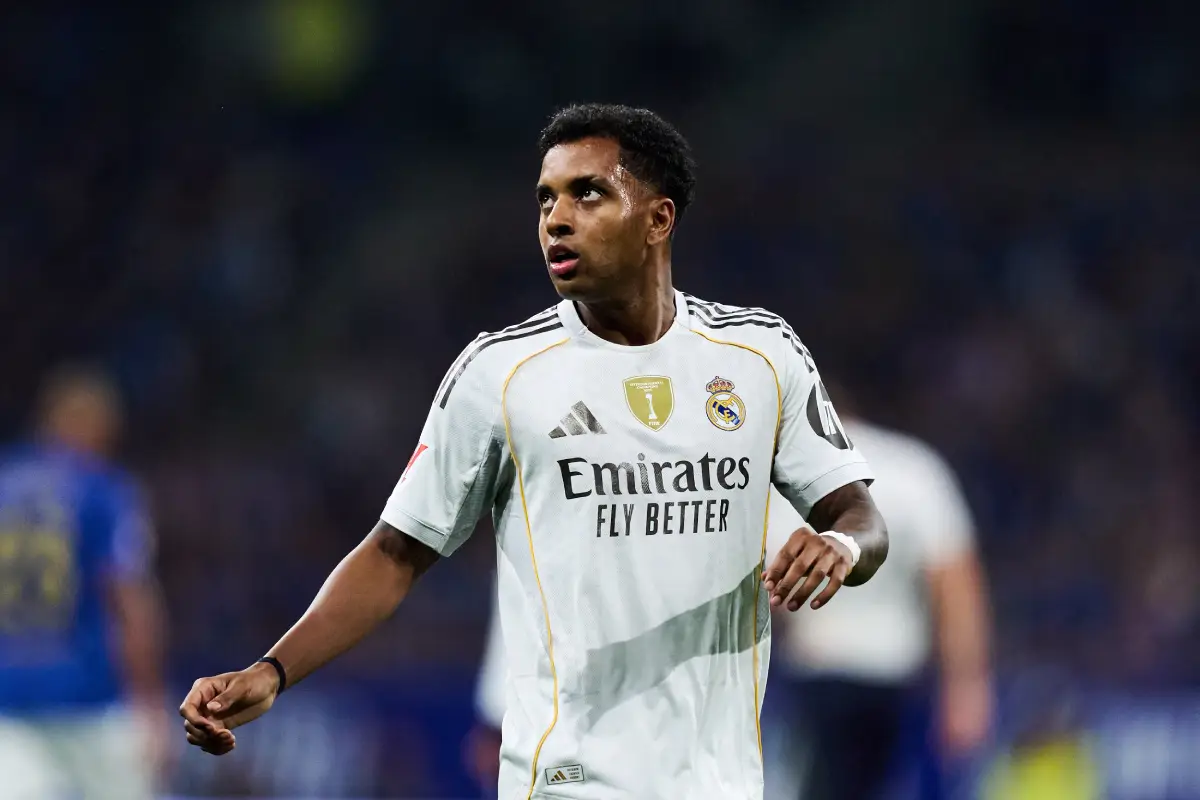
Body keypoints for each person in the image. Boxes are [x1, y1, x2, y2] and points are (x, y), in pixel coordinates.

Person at [179, 103, 888, 800]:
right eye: (545, 198)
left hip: (723, 782)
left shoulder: (760, 356)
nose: (556, 217)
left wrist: (841, 548)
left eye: (588, 193)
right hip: (566, 779)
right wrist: (273, 671)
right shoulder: (501, 373)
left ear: (658, 220)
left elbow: (861, 516)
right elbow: (394, 554)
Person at [763, 407, 993, 800]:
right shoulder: (915, 468)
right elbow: (954, 582)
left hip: (821, 673)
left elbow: (769, 590)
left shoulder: (794, 476)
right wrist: (966, 685)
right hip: (897, 677)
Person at [0, 366, 168, 799]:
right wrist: (150, 703)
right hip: (91, 702)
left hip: (8, 702)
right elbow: (130, 600)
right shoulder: (103, 490)